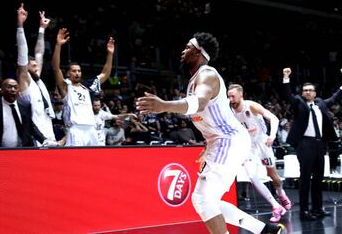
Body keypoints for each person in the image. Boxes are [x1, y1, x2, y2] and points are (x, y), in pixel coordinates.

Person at [136, 32, 283, 234]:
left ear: (198, 52)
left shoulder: (207, 75)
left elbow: (200, 102)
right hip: (223, 141)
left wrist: (164, 105)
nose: (183, 51)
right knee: (209, 201)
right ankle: (266, 230)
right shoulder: (195, 79)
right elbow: (209, 117)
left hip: (228, 140)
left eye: (187, 47)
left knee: (203, 199)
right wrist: (208, 145)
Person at [281, 67, 341, 221]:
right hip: (305, 144)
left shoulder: (320, 103)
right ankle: (304, 211)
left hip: (320, 145)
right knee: (305, 178)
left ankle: (317, 208)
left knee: (318, 179)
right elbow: (288, 96)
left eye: (310, 90)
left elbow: (334, 98)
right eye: (305, 90)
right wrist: (286, 78)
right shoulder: (299, 102)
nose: (308, 92)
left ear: (315, 93)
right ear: (302, 93)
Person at [227, 84, 292, 222]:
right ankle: (275, 206)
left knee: (273, 176)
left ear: (241, 95)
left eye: (233, 96)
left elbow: (274, 118)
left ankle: (281, 194)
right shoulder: (229, 109)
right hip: (248, 146)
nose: (230, 98)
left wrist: (272, 135)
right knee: (252, 176)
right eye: (229, 96)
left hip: (263, 142)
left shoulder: (251, 106)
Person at [51, 28, 115, 146]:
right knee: (76, 161)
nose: (77, 73)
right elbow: (55, 68)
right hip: (75, 130)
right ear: (68, 73)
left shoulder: (87, 86)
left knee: (95, 160)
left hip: (91, 128)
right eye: (74, 71)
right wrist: (58, 45)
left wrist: (110, 54)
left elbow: (105, 74)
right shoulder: (65, 87)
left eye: (79, 71)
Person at [16, 3, 61, 146]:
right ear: (26, 68)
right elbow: (23, 50)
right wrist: (20, 25)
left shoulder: (37, 80)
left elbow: (39, 53)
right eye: (33, 66)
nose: (37, 68)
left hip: (49, 133)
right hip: (35, 138)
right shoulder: (24, 79)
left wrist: (42, 29)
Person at [0, 78, 55, 147]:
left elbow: (30, 125)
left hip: (21, 149)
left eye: (15, 87)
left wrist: (44, 140)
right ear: (2, 90)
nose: (13, 90)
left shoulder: (25, 105)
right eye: (9, 87)